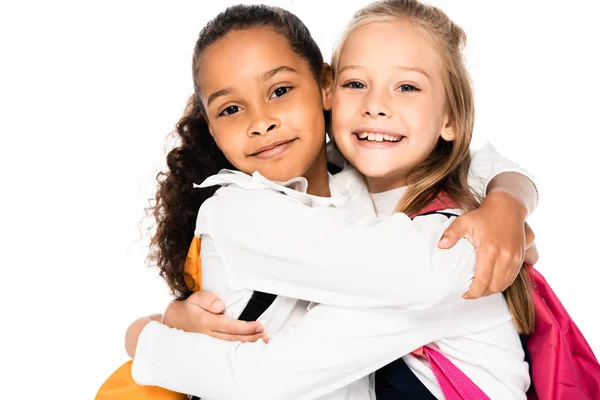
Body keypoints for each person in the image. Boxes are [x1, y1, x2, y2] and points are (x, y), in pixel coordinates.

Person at [124, 2, 538, 399]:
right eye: (231, 108)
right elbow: (261, 380)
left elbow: (473, 163)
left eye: (280, 90)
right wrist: (148, 332)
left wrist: (509, 197)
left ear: (323, 86)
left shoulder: (361, 190)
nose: (261, 121)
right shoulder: (243, 212)